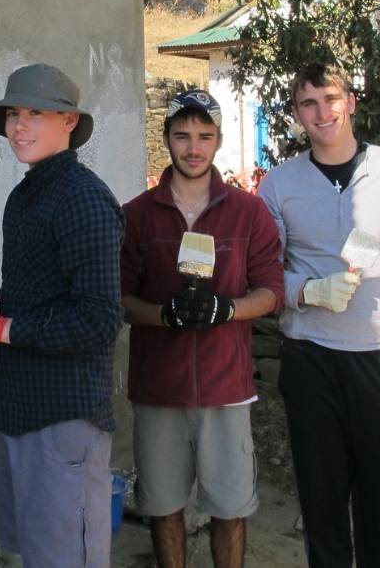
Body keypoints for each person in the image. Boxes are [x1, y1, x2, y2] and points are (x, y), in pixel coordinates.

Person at [256, 64, 380, 568]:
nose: (323, 112)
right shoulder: (279, 185)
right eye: (309, 104)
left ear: (352, 101)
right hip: (311, 359)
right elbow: (265, 275)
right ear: (296, 115)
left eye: (331, 98)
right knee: (321, 507)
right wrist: (308, 291)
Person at [0, 63, 124, 568]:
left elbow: (99, 319)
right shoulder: (27, 196)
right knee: (39, 557)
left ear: (69, 121)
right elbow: (20, 303)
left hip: (65, 420)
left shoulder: (84, 199)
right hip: (18, 412)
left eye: (36, 113)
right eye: (14, 113)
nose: (19, 125)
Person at [120, 90, 285, 568]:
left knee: (230, 509)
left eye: (204, 137)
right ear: (167, 139)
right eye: (183, 136)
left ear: (218, 141)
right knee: (162, 506)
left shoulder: (247, 212)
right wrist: (163, 315)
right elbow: (121, 297)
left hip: (225, 387)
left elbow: (271, 290)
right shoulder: (137, 214)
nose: (193, 148)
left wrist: (226, 310)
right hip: (158, 388)